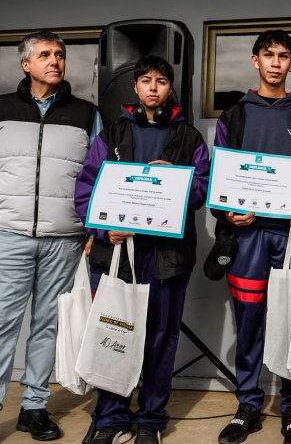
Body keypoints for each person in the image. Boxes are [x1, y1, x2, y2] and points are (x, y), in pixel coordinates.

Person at [0, 30, 102, 444]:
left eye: (59, 54)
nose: (54, 61)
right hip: (9, 232)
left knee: (47, 325)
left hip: (66, 237)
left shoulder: (86, 113)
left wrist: (95, 228)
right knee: (0, 323)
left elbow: (101, 175)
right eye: (45, 55)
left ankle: (34, 408)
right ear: (26, 64)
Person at [74, 55, 210, 444]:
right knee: (113, 335)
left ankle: (151, 419)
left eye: (161, 81)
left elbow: (202, 189)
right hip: (116, 255)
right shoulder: (112, 135)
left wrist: (175, 180)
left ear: (170, 89)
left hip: (167, 258)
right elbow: (85, 190)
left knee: (160, 338)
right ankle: (111, 418)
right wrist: (102, 229)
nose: (153, 87)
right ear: (135, 87)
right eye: (146, 80)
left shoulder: (190, 138)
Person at [210, 29, 291, 444]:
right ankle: (248, 406)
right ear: (254, 60)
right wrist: (226, 211)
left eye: (283, 56)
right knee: (250, 323)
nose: (275, 62)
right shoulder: (234, 116)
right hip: (247, 239)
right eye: (268, 55)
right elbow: (217, 177)